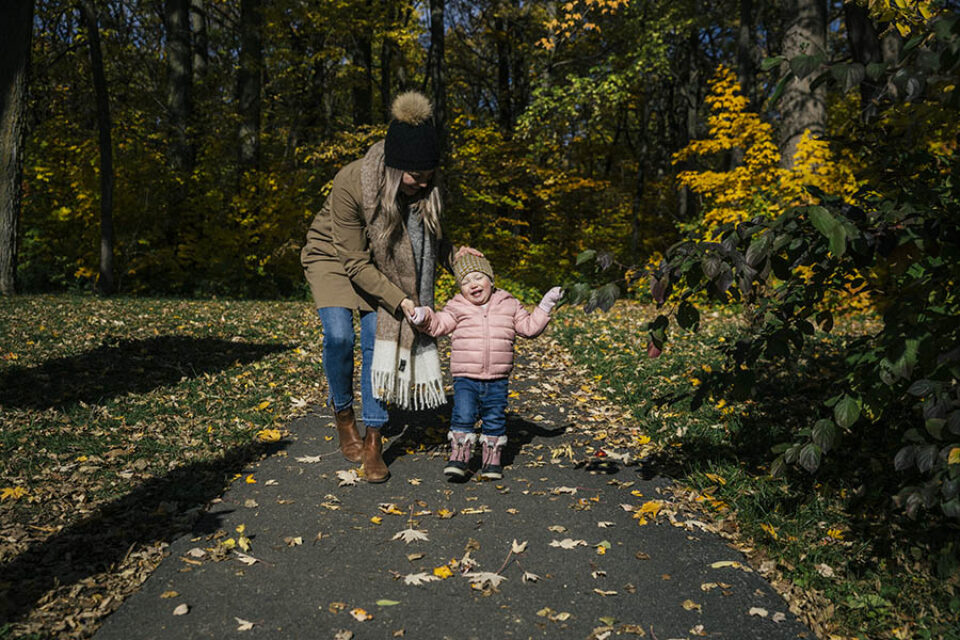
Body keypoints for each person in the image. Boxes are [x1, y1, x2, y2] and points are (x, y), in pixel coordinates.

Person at [301, 91, 478, 483]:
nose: (422, 185)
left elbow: (431, 243)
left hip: (381, 267)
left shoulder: (424, 189)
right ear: (397, 171)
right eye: (416, 178)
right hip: (333, 256)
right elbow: (353, 260)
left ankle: (374, 438)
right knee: (338, 337)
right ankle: (344, 414)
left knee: (373, 339)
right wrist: (401, 300)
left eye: (429, 178)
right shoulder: (352, 180)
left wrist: (458, 259)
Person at [409, 254, 562, 480]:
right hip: (465, 376)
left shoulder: (509, 304)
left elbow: (529, 328)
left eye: (478, 277)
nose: (473, 284)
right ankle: (459, 458)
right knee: (463, 415)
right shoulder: (457, 306)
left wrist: (545, 305)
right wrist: (422, 316)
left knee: (495, 418)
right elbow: (439, 324)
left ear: (491, 279)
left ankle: (492, 460)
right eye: (465, 281)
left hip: (497, 377)